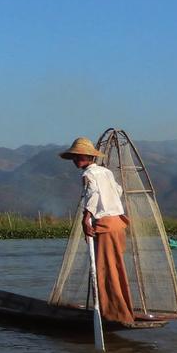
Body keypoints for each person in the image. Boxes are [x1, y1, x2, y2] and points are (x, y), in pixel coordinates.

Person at [59, 137, 134, 324]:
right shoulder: (106, 172)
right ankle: (121, 310)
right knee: (116, 268)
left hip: (106, 225)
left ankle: (115, 314)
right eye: (74, 158)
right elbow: (118, 191)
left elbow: (93, 193)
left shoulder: (89, 174)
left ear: (88, 156)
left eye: (79, 157)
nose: (76, 161)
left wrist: (86, 217)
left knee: (105, 269)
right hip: (118, 224)